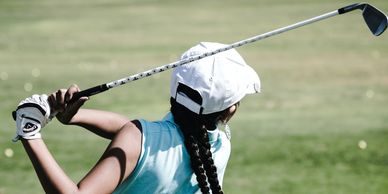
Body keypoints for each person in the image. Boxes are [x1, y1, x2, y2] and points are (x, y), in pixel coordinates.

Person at [12, 42, 261, 194]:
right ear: (229, 110)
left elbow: (137, 137)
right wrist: (74, 117)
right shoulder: (218, 146)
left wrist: (30, 130)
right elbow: (136, 135)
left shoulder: (139, 138)